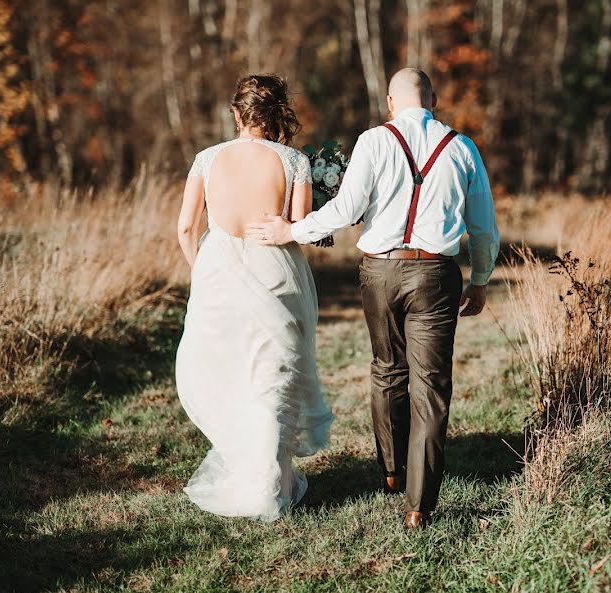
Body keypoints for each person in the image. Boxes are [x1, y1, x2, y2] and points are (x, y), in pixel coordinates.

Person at [247, 68, 499, 528]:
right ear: (435, 99)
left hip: (380, 271)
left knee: (388, 368)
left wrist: (293, 231)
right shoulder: (462, 147)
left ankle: (392, 469)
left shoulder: (374, 141)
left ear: (390, 102)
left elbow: (346, 209)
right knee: (432, 386)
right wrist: (480, 278)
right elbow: (483, 225)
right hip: (436, 273)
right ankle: (419, 505)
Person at [175, 74, 334, 522]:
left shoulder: (206, 159)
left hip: (218, 276)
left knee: (232, 374)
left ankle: (250, 478)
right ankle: (276, 489)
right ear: (276, 112)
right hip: (275, 271)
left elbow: (186, 228)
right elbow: (298, 226)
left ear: (236, 113)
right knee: (275, 377)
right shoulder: (294, 162)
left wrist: (203, 270)